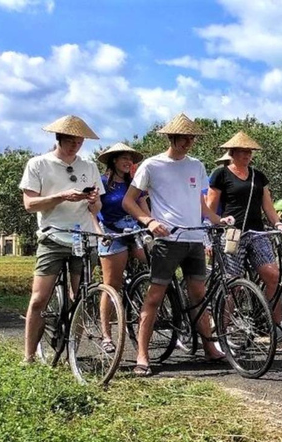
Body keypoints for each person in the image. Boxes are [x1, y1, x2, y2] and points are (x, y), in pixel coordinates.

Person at [122, 113, 233, 376]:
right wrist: (148, 221)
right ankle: (142, 355)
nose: (188, 142)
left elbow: (200, 202)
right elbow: (129, 201)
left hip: (195, 239)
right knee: (155, 297)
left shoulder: (196, 166)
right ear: (172, 137)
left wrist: (218, 219)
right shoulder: (152, 165)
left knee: (198, 295)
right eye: (184, 137)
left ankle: (209, 348)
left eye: (192, 138)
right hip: (168, 240)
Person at [19, 115, 104, 363]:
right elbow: (29, 204)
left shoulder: (89, 167)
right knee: (39, 299)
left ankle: (73, 353)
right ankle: (29, 356)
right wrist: (62, 196)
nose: (75, 145)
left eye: (79, 141)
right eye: (70, 140)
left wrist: (93, 201)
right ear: (60, 138)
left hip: (83, 237)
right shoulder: (38, 164)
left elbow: (97, 208)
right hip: (53, 236)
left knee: (80, 298)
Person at [206, 132, 282, 328]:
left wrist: (278, 224)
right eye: (242, 152)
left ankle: (271, 321)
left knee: (273, 275)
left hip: (256, 232)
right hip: (232, 233)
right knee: (233, 283)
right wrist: (212, 229)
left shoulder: (258, 177)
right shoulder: (221, 174)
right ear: (232, 153)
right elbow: (210, 206)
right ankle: (222, 327)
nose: (246, 155)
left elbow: (268, 206)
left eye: (249, 152)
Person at [96, 142, 149, 352]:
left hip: (134, 230)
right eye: (124, 158)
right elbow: (95, 209)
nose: (128, 162)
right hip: (111, 233)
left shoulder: (135, 184)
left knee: (152, 268)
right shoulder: (101, 183)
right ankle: (106, 335)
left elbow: (144, 207)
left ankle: (140, 302)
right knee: (111, 285)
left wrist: (152, 225)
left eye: (131, 159)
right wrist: (101, 232)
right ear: (114, 161)